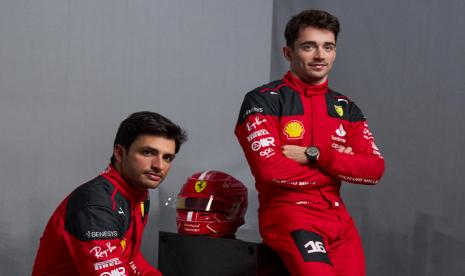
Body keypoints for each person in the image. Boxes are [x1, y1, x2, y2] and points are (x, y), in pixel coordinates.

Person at [234, 10, 385, 276]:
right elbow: (270, 170)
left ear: (335, 52)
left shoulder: (346, 107)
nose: (320, 56)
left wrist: (317, 155)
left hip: (339, 219)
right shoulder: (263, 100)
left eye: (328, 47)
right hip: (290, 214)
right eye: (308, 46)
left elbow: (373, 170)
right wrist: (341, 165)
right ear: (288, 52)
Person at [32, 111, 187, 276]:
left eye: (167, 158)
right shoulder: (95, 205)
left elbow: (131, 259)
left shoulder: (139, 195)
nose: (159, 165)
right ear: (120, 153)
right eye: (147, 152)